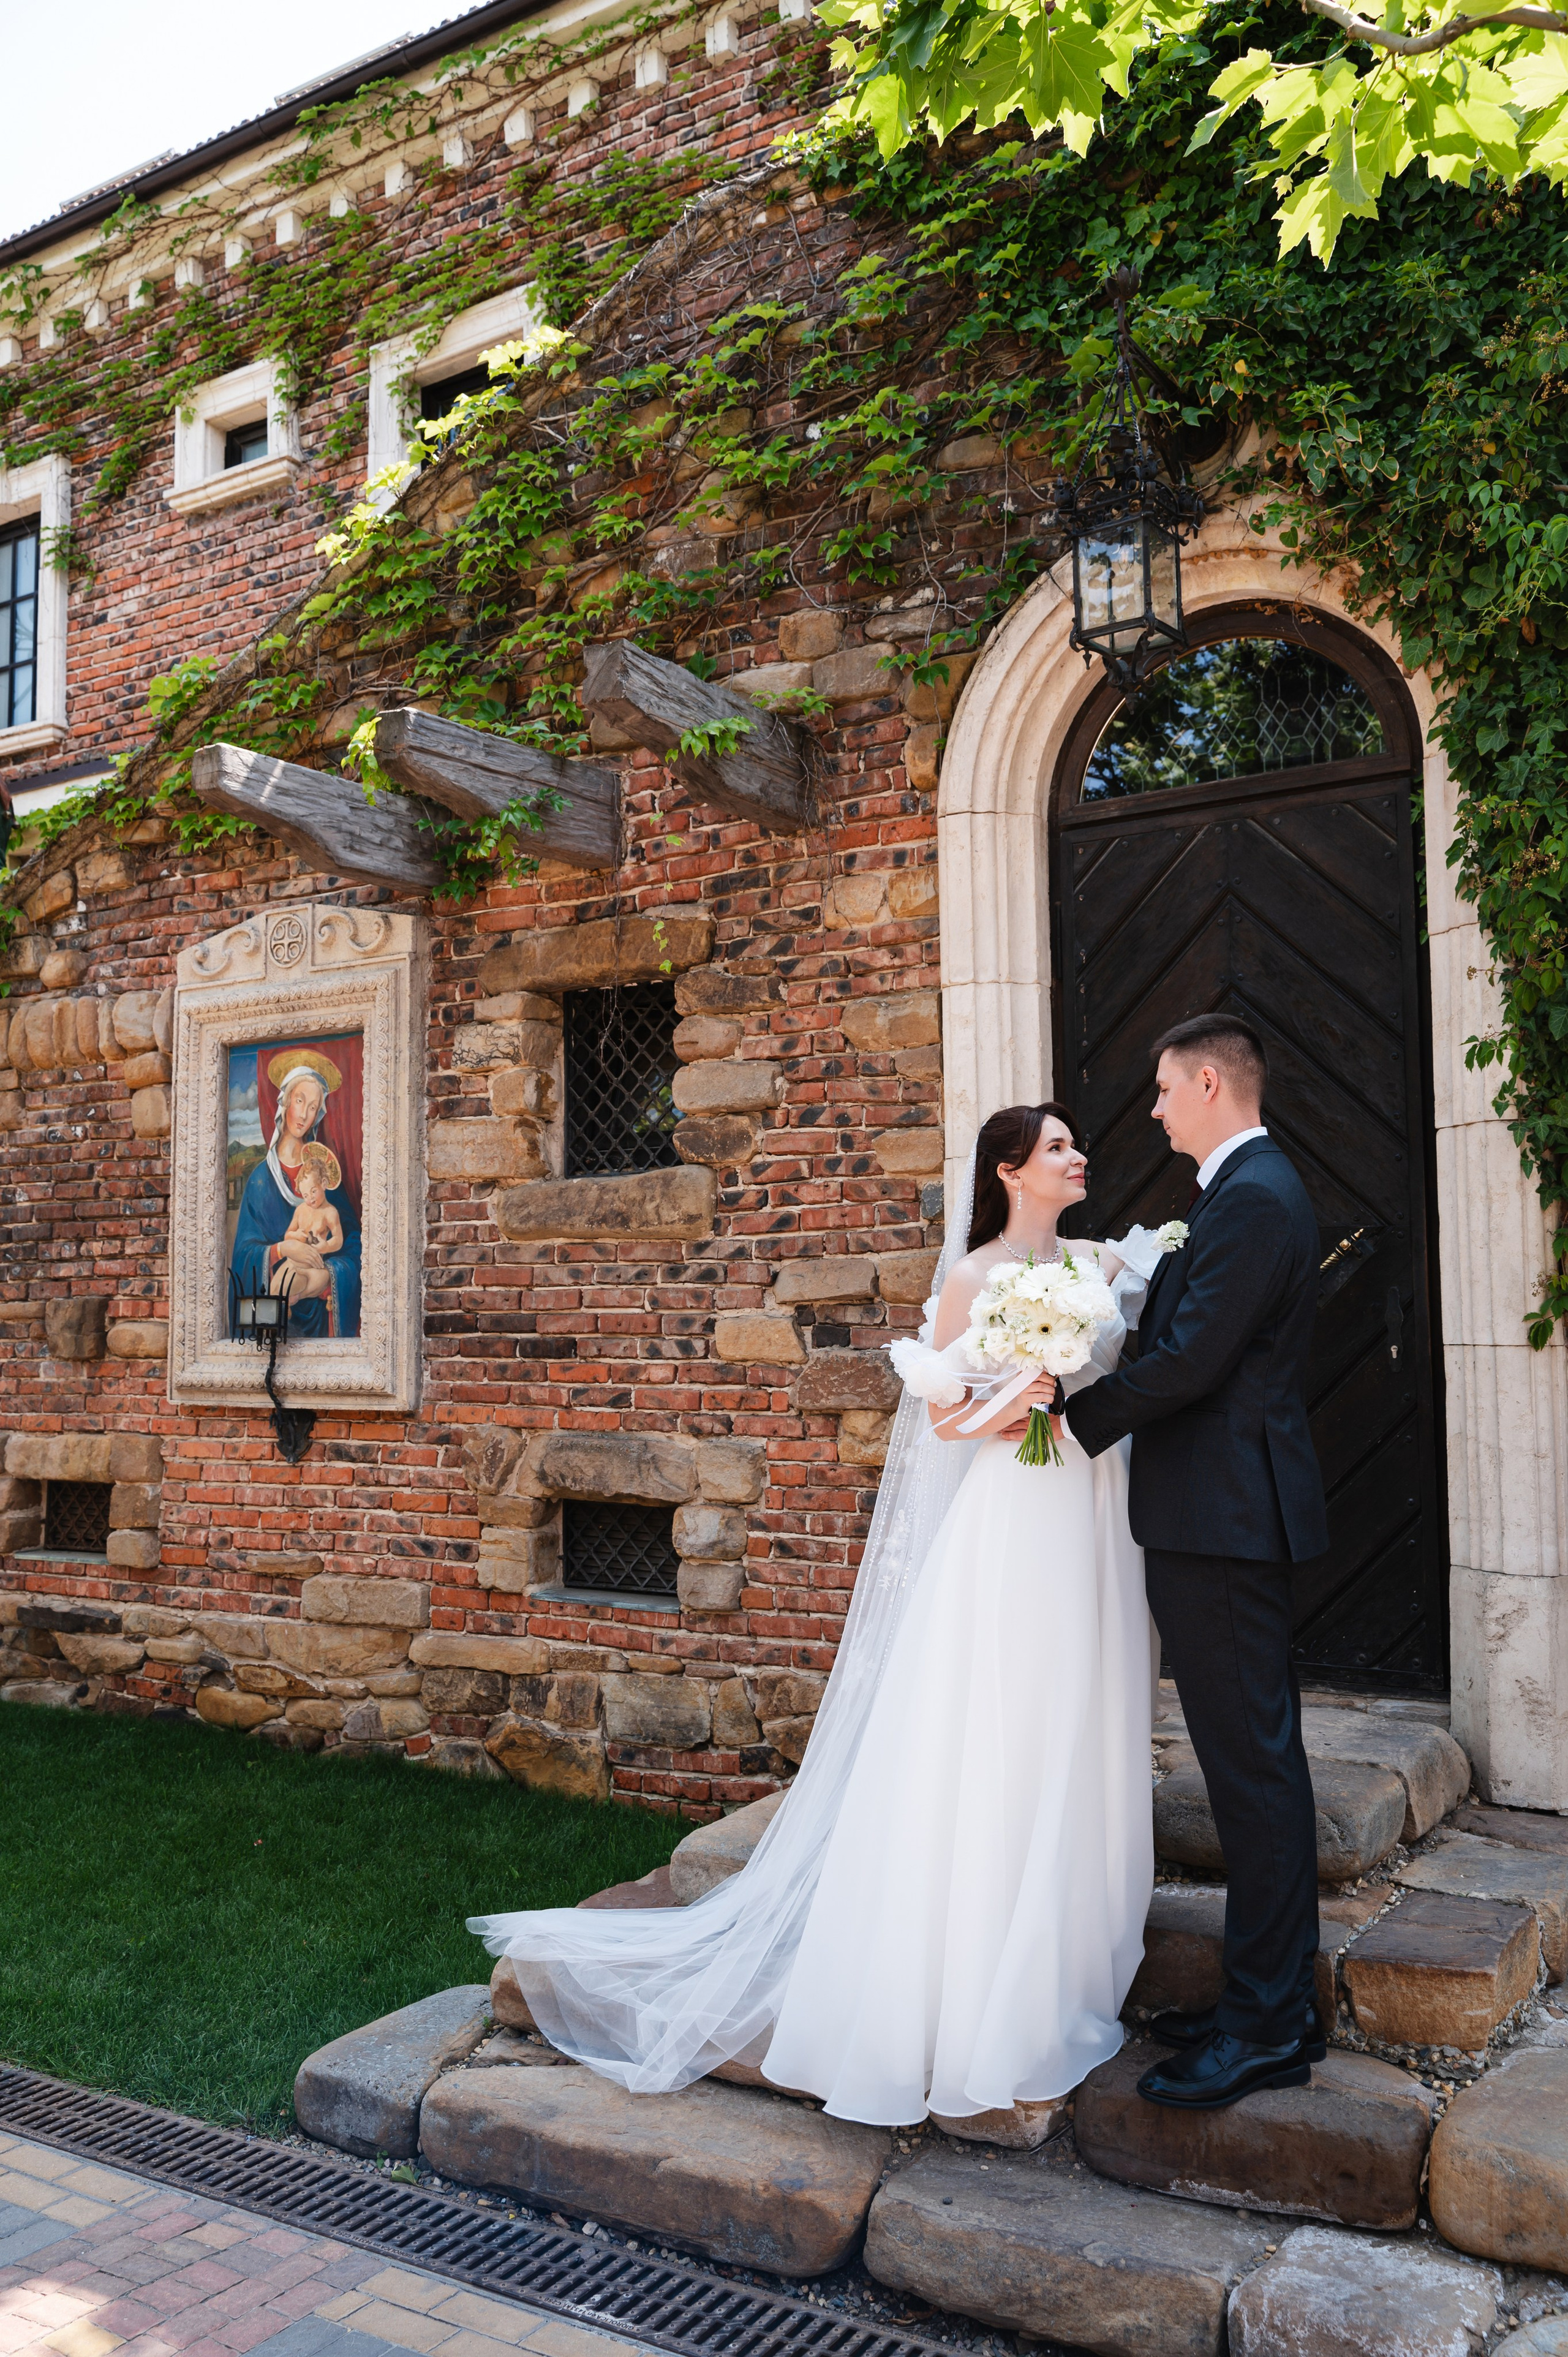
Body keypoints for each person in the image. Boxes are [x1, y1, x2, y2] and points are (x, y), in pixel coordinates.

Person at [469, 1103, 1167, 2127]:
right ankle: (981, 1971)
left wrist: (1067, 1380)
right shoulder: (973, 1277)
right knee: (1008, 1717)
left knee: (1081, 1709)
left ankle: (1066, 1946)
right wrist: (1024, 1399)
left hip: (1094, 1509)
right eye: (1058, 1146)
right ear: (1012, 1171)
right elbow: (943, 1417)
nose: (1080, 1155)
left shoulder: (1100, 1265)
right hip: (1016, 1515)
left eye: (1075, 1142)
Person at [1066, 1013, 1329, 2111]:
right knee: (1250, 1766)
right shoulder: (1236, 1194)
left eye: (1167, 1090)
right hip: (1215, 1516)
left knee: (1253, 1773)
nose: (1157, 1108)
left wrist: (1067, 1412)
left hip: (1224, 1522)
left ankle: (1267, 2028)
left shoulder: (1255, 1197)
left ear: (1211, 1082)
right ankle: (1269, 2001)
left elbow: (1191, 1361)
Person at [230, 1054, 362, 1340]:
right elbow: (243, 1255)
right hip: (281, 1300)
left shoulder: (324, 1173)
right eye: (300, 1101)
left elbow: (354, 1243)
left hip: (320, 1313)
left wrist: (329, 1276)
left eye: (313, 1107)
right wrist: (282, 1250)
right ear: (285, 1102)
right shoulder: (260, 1181)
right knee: (283, 1287)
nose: (304, 1115)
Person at [270, 1148, 344, 1295]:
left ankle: (294, 1297)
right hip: (292, 1263)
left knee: (317, 1279)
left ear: (324, 1184)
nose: (310, 1198)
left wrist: (326, 1246)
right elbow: (288, 1235)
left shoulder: (330, 1212)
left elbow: (338, 1239)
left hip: (312, 1268)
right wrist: (296, 1235)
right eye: (305, 1195)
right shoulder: (300, 1210)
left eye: (313, 1191)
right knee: (273, 1291)